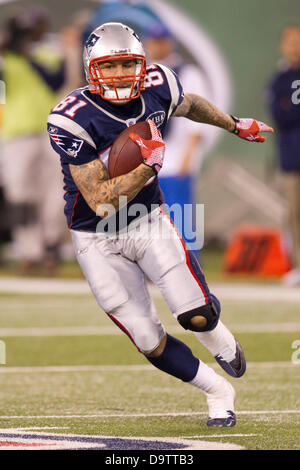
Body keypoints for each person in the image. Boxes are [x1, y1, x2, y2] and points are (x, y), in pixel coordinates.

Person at [47, 23, 273, 427]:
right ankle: (218, 390)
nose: (119, 73)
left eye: (126, 64)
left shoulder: (160, 82)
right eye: (109, 66)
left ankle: (220, 339)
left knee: (197, 315)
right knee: (149, 340)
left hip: (147, 219)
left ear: (142, 64)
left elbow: (189, 104)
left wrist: (234, 123)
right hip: (95, 236)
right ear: (91, 68)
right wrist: (145, 167)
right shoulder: (71, 118)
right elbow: (100, 200)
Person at [0, 7, 75, 273]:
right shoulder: (6, 58)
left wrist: (28, 55)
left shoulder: (48, 52)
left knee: (54, 193)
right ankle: (29, 251)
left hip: (49, 130)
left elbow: (55, 81)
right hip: (16, 134)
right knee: (20, 194)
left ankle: (51, 245)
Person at [144, 23, 210, 258]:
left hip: (177, 155)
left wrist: (189, 155)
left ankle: (190, 264)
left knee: (180, 214)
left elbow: (198, 116)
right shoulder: (146, 74)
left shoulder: (187, 74)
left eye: (162, 41)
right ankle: (159, 265)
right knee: (149, 218)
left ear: (170, 42)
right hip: (151, 159)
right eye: (154, 40)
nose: (158, 45)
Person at [267, 25, 300, 286]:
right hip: (292, 157)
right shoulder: (279, 79)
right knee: (294, 213)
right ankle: (298, 265)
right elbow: (281, 115)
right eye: (291, 41)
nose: (295, 46)